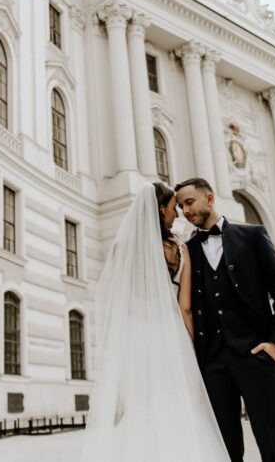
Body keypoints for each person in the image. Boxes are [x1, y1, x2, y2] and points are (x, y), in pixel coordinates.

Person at [79, 182, 229, 461]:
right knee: (178, 406)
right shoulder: (179, 249)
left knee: (143, 407)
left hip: (137, 339)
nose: (177, 213)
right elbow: (185, 308)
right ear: (160, 210)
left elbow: (119, 301)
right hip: (170, 338)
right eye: (173, 208)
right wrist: (195, 347)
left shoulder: (123, 249)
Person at [175, 177, 275, 462]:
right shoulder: (188, 250)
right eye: (181, 207)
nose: (185, 211)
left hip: (257, 358)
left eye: (189, 202)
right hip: (213, 365)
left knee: (274, 445)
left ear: (210, 198)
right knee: (224, 451)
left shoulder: (253, 236)